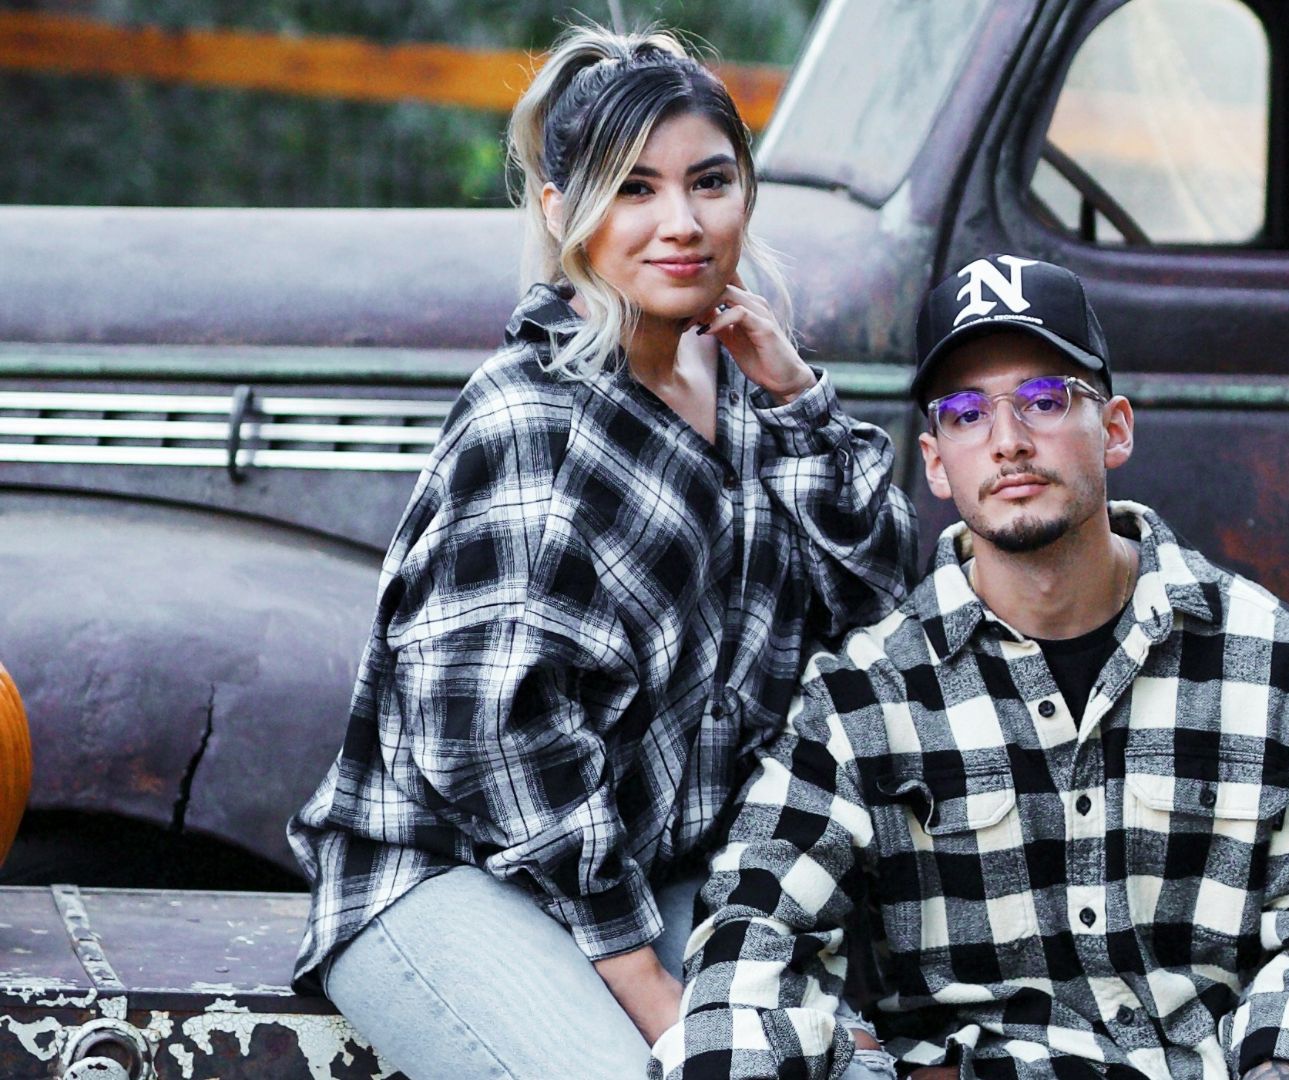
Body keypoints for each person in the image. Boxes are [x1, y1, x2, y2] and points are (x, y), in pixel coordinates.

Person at [285, 25, 917, 1079]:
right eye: (634, 190)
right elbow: (496, 747)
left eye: (710, 181)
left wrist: (800, 397)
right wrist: (659, 999)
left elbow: (879, 601)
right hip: (455, 874)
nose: (682, 223)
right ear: (559, 211)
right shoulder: (532, 422)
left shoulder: (746, 389)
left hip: (660, 872)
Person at [653, 255, 1289, 1080]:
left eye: (1044, 400)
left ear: (1114, 429)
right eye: (967, 414)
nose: (1008, 441)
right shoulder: (866, 696)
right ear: (937, 462)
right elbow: (753, 939)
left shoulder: (1275, 665)